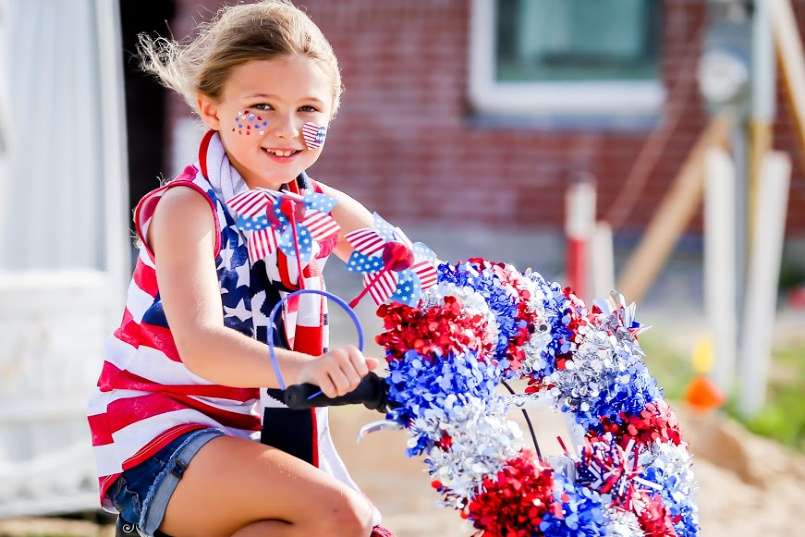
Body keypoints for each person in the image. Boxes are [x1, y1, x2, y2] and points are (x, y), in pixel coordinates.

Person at [87, 2, 393, 535]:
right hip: (161, 427)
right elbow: (202, 345)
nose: (287, 130)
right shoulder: (188, 208)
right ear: (210, 109)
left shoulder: (323, 211)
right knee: (343, 515)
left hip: (253, 435)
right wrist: (305, 367)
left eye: (308, 110)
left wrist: (482, 331)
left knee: (345, 532)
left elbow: (410, 282)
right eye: (262, 107)